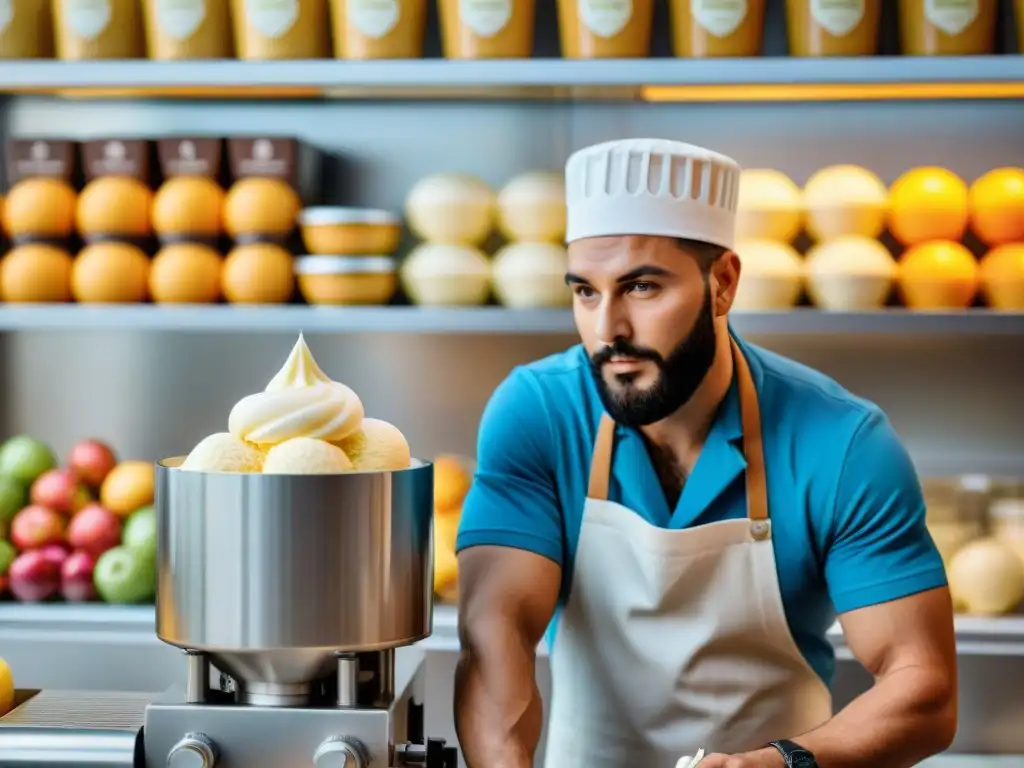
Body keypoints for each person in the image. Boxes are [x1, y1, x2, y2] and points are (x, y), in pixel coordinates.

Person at [452, 139, 958, 768]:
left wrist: (768, 765)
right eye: (585, 292)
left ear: (721, 284)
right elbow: (494, 636)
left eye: (640, 287)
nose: (609, 329)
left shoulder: (842, 441)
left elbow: (924, 689)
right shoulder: (538, 413)